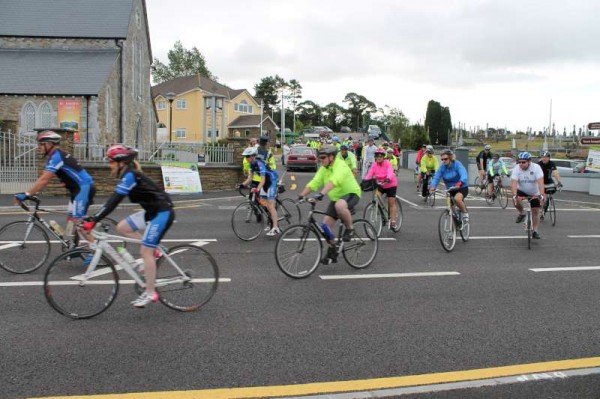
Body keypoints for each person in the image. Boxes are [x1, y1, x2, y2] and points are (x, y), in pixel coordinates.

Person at [82, 145, 175, 307]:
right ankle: (155, 250)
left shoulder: (130, 175)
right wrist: (94, 217)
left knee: (145, 251)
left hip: (162, 212)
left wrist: (95, 219)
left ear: (122, 163)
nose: (109, 166)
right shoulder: (128, 175)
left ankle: (150, 292)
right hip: (151, 211)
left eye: (111, 162)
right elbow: (113, 199)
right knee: (123, 227)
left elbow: (115, 200)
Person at [15, 130, 96, 241]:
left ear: (49, 144)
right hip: (76, 191)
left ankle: (94, 250)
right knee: (71, 221)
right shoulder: (54, 157)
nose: (39, 147)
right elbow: (44, 179)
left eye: (41, 144)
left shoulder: (57, 157)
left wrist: (27, 194)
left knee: (79, 223)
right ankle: (74, 246)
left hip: (83, 189)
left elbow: (44, 180)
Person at [298, 145, 361, 263]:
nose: (320, 160)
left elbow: (334, 181)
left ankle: (350, 229)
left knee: (340, 206)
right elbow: (314, 183)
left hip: (351, 193)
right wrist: (302, 195)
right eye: (319, 158)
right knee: (325, 226)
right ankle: (333, 250)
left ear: (331, 157)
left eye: (323, 157)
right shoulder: (323, 169)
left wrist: (321, 194)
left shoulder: (340, 165)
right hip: (336, 198)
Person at [241, 147, 280, 236]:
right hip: (265, 183)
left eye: (247, 156)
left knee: (270, 205)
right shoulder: (252, 164)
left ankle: (275, 227)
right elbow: (250, 178)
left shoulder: (260, 164)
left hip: (271, 181)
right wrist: (242, 185)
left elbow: (262, 179)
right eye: (245, 156)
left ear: (252, 156)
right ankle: (271, 220)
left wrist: (257, 189)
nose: (246, 158)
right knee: (263, 203)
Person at [511, 152, 545, 239]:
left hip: (534, 192)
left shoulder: (536, 168)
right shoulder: (516, 168)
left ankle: (535, 231)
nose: (521, 164)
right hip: (521, 190)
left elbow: (541, 182)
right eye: (519, 162)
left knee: (535, 211)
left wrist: (541, 194)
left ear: (529, 162)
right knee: (515, 199)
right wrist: (514, 195)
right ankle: (522, 213)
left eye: (523, 162)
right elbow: (514, 183)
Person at [429, 149, 470, 222]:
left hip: (461, 187)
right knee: (451, 208)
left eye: (446, 159)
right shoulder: (442, 167)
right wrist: (433, 186)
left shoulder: (457, 164)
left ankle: (465, 212)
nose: (444, 161)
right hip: (451, 189)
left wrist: (459, 183)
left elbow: (463, 174)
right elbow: (436, 177)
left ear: (450, 158)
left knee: (457, 199)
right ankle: (455, 223)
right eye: (442, 159)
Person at [364, 148, 399, 231]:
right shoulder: (374, 165)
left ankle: (393, 221)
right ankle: (382, 216)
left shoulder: (387, 163)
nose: (379, 158)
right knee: (377, 198)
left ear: (383, 157)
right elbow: (369, 174)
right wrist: (365, 181)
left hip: (390, 184)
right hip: (381, 184)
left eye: (380, 156)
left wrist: (388, 178)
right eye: (377, 156)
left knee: (391, 203)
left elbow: (390, 172)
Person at [537, 151, 563, 219]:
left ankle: (546, 205)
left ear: (549, 158)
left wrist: (559, 182)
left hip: (549, 180)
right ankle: (541, 210)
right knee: (543, 196)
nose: (544, 158)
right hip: (540, 181)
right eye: (543, 157)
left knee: (549, 194)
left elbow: (556, 173)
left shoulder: (552, 164)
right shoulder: (539, 164)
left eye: (546, 157)